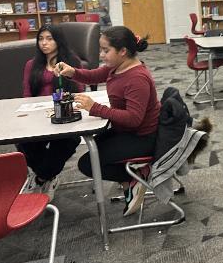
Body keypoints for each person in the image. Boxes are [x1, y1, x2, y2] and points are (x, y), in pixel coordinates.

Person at [56, 26, 161, 217]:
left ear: (123, 51)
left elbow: (134, 119)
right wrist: (72, 72)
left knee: (88, 164)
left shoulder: (137, 78)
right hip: (126, 131)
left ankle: (135, 178)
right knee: (94, 148)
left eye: (106, 50)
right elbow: (95, 75)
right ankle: (130, 178)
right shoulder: (117, 67)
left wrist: (95, 108)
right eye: (101, 50)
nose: (101, 55)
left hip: (142, 137)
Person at [18, 25, 85, 200]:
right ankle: (49, 176)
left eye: (49, 39)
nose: (44, 43)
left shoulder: (71, 61)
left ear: (58, 40)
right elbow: (26, 94)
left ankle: (40, 178)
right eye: (41, 39)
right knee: (22, 141)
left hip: (64, 115)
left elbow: (79, 89)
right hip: (38, 117)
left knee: (68, 141)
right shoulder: (31, 64)